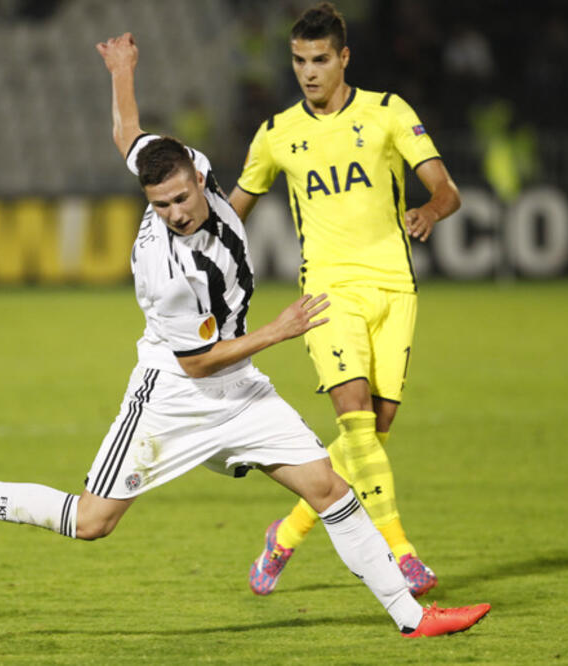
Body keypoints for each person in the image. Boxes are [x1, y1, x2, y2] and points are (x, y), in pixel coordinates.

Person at [0, 32, 488, 638]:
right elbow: (198, 364)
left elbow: (128, 136)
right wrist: (279, 330)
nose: (176, 213)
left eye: (181, 198)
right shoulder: (170, 272)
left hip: (239, 389)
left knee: (329, 488)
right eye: (159, 206)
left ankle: (413, 616)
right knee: (92, 521)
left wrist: (122, 68)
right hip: (173, 396)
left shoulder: (188, 166)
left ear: (196, 173)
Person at [228, 2, 462, 598]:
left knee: (372, 435)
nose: (308, 72)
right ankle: (401, 553)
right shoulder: (277, 134)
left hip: (394, 289)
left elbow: (446, 188)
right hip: (328, 293)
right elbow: (234, 213)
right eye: (300, 61)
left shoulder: (388, 113)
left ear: (343, 58)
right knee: (356, 422)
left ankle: (285, 534)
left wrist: (429, 210)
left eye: (320, 60)